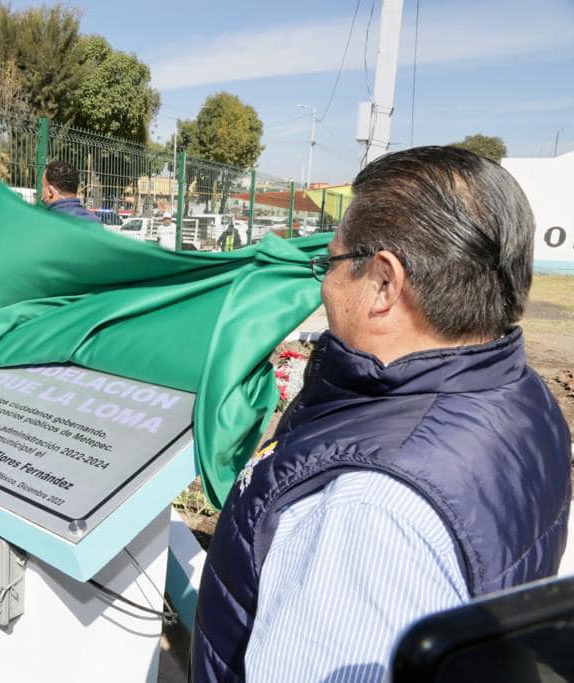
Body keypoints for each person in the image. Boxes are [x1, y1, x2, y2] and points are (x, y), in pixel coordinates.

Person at [191, 146, 572, 683]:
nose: (324, 283)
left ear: (384, 284)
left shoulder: (366, 510)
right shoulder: (520, 394)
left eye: (331, 262)